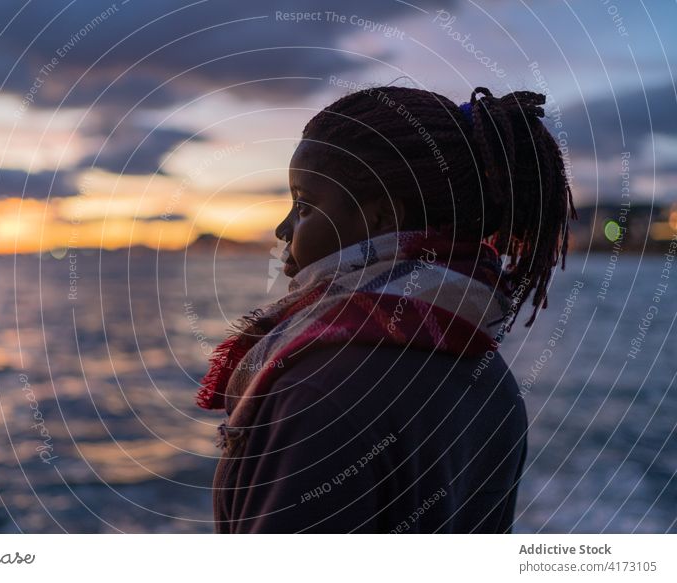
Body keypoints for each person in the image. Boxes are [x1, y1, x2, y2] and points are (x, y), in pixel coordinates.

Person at [196, 85, 578, 533]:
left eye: (304, 205)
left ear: (382, 219)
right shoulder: (490, 376)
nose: (283, 229)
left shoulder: (318, 390)